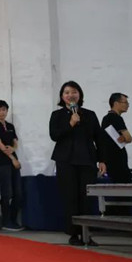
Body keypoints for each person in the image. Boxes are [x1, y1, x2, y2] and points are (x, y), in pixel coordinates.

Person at [50, 81, 107, 246]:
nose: (70, 95)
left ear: (79, 95)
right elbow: (54, 135)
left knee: (87, 199)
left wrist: (102, 160)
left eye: (74, 92)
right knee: (70, 198)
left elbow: (99, 138)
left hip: (87, 160)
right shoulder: (57, 115)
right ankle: (74, 234)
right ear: (62, 96)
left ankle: (87, 234)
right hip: (66, 161)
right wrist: (71, 123)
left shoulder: (90, 114)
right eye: (67, 92)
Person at [0, 100, 23, 231]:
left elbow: (15, 142)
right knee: (6, 193)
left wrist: (14, 148)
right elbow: (0, 146)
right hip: (3, 163)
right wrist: (13, 158)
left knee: (18, 193)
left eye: (4, 110)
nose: (2, 112)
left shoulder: (10, 126)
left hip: (14, 162)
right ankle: (6, 221)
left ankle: (13, 220)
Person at [100, 93, 132, 184]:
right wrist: (124, 138)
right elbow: (129, 138)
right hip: (118, 159)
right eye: (125, 102)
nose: (127, 105)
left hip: (108, 158)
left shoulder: (105, 118)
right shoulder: (117, 118)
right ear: (116, 103)